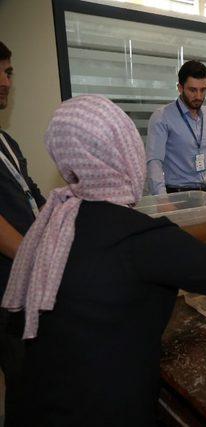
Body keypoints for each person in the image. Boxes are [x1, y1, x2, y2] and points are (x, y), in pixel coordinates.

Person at [1, 95, 206, 426]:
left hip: (34, 402)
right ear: (122, 153)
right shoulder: (136, 237)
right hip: (100, 408)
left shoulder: (56, 220)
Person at [0, 41, 47, 426]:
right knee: (21, 382)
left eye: (9, 72)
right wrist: (43, 258)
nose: (5, 81)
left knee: (34, 374)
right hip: (6, 289)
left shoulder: (7, 142)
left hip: (28, 280)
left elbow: (33, 195)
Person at [146, 60, 206, 195]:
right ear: (180, 88)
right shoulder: (162, 117)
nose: (199, 96)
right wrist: (161, 199)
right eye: (193, 90)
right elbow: (154, 160)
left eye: (203, 90)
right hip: (178, 193)